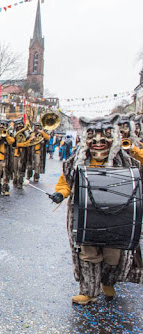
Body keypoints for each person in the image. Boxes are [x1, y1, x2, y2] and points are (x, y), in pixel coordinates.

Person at [50, 115, 143, 305]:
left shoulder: (126, 162)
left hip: (117, 217)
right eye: (93, 138)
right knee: (88, 254)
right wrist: (60, 194)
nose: (98, 143)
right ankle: (89, 291)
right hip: (87, 217)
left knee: (114, 255)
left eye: (104, 138)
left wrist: (133, 149)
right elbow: (65, 182)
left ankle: (108, 282)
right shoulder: (77, 161)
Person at [0, 120, 15, 196]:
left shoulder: (10, 134)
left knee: (6, 174)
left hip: (7, 158)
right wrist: (0, 137)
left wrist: (6, 135)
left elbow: (12, 141)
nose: (1, 127)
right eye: (0, 126)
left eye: (3, 126)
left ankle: (6, 189)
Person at [11, 118, 31, 190]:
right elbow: (12, 144)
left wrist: (19, 144)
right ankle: (15, 181)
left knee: (21, 169)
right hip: (14, 154)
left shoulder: (26, 134)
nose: (19, 126)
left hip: (23, 154)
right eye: (18, 124)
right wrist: (21, 144)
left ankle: (20, 182)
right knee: (15, 169)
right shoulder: (12, 133)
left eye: (21, 124)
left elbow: (27, 143)